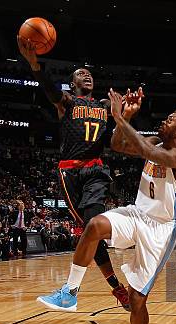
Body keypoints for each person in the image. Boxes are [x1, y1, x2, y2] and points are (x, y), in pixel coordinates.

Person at [39, 88, 176, 324]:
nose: (163, 122)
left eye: (170, 120)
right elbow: (117, 144)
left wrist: (116, 117)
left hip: (160, 229)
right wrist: (125, 116)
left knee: (137, 299)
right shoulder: (153, 142)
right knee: (94, 226)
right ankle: (69, 293)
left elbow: (151, 153)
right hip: (138, 214)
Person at [18, 36, 133, 309]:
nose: (87, 76)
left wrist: (126, 109)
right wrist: (34, 63)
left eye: (89, 74)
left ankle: (71, 291)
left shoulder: (105, 106)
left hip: (95, 169)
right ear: (73, 84)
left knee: (93, 225)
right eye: (81, 74)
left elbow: (119, 130)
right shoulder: (67, 103)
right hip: (69, 174)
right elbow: (48, 88)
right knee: (89, 232)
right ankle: (117, 288)